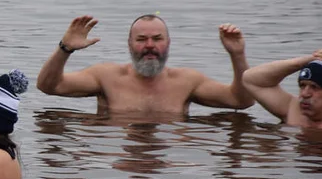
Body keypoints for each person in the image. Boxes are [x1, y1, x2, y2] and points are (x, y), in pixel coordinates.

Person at [36, 14, 255, 117]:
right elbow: (49, 86)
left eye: (157, 39)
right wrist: (65, 48)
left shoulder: (187, 81)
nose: (150, 46)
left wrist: (237, 54)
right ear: (130, 44)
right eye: (141, 40)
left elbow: (241, 101)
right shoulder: (107, 77)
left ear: (168, 43)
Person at [242, 51, 322, 129]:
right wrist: (307, 60)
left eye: (314, 87)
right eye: (302, 85)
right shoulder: (294, 110)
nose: (305, 94)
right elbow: (250, 79)